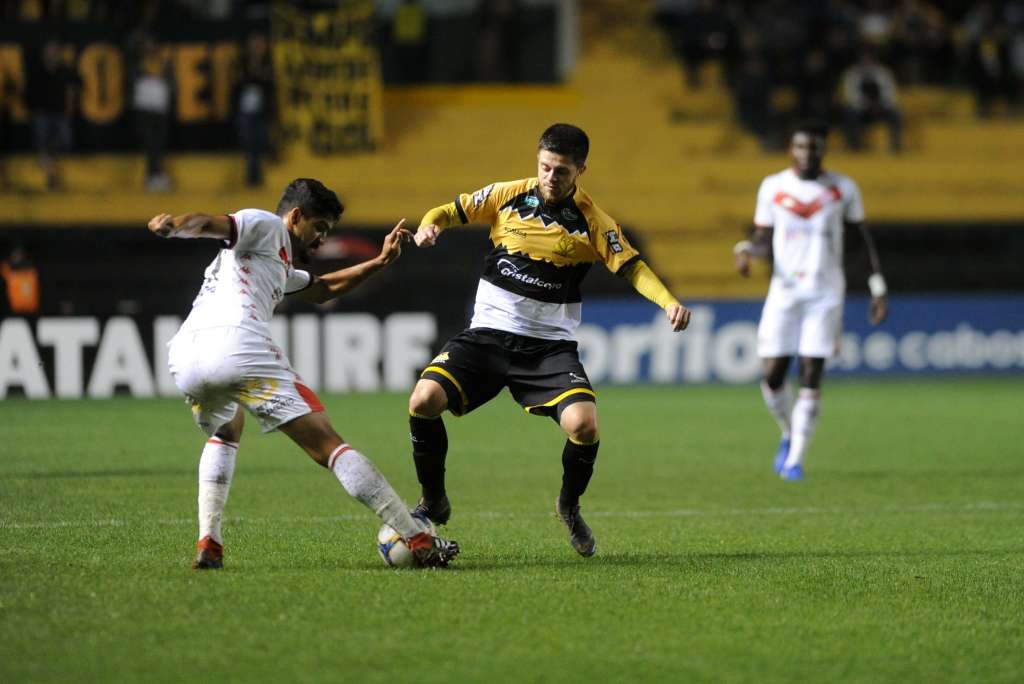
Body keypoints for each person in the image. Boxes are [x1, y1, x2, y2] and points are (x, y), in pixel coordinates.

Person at [406, 124, 692, 557]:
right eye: (544, 166)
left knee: (584, 425)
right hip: (487, 335)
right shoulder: (507, 195)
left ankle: (568, 505)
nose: (550, 177)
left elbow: (632, 267)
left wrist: (668, 302)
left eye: (561, 170)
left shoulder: (594, 221)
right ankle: (433, 499)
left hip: (548, 346)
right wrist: (430, 227)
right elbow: (447, 210)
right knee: (423, 399)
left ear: (580, 170)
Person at [148, 178, 459, 569]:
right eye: (319, 229)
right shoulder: (266, 225)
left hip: (187, 356)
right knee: (327, 444)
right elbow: (210, 224)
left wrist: (379, 262)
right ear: (295, 216)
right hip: (239, 345)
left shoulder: (273, 263)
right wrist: (174, 225)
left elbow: (325, 287)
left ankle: (209, 541)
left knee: (227, 429)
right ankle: (415, 537)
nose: (321, 241)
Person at [734, 121, 889, 482]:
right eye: (801, 147)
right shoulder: (773, 187)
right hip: (784, 293)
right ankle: (789, 433)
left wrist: (877, 287)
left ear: (824, 150)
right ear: (791, 148)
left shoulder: (842, 188)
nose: (808, 154)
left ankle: (796, 459)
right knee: (772, 375)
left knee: (811, 374)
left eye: (815, 147)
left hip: (826, 293)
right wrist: (745, 250)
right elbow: (762, 236)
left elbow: (860, 240)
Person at [27, 40, 79, 190]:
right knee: (41, 145)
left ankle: (49, 160)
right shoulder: (37, 70)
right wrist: (34, 109)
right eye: (50, 50)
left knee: (65, 142)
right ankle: (52, 178)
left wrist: (69, 108)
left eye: (55, 50)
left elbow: (72, 88)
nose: (52, 53)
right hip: (42, 113)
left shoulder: (64, 69)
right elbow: (30, 91)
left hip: (60, 112)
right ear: (44, 53)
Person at [0, 245, 40, 315]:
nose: (17, 258)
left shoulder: (30, 272)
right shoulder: (10, 273)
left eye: (19, 255)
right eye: (15, 256)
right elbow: (5, 271)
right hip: (15, 307)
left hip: (29, 308)